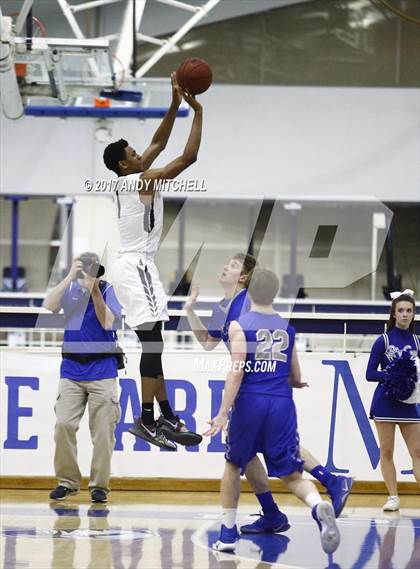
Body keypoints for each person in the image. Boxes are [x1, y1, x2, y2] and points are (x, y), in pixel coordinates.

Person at [185, 253, 353, 531]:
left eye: (234, 264)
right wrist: (190, 310)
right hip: (257, 389)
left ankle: (322, 485)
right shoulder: (222, 308)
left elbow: (259, 347)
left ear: (244, 277)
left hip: (254, 386)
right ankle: (281, 509)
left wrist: (225, 410)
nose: (225, 265)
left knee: (245, 453)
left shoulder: (248, 304)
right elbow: (207, 342)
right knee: (254, 451)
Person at [102, 73, 202, 451]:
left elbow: (159, 141)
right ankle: (147, 419)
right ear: (125, 166)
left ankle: (166, 417)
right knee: (153, 345)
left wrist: (175, 102)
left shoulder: (133, 175)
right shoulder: (137, 182)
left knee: (153, 342)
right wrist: (198, 113)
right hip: (135, 265)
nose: (140, 154)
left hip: (140, 266)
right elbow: (187, 157)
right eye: (133, 154)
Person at [43, 253, 122, 503]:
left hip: (102, 370)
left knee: (102, 432)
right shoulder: (70, 287)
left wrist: (95, 290)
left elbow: (108, 322)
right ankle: (67, 482)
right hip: (72, 370)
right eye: (84, 267)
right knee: (63, 424)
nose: (88, 272)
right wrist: (69, 276)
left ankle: (99, 486)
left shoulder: (108, 290)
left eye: (92, 268)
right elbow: (48, 304)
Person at [366, 289, 420, 511]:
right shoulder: (383, 341)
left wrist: (409, 378)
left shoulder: (418, 341)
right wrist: (392, 375)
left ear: (413, 314)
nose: (405, 314)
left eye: (409, 310)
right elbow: (370, 374)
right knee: (386, 452)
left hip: (408, 404)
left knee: (417, 452)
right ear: (394, 314)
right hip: (386, 402)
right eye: (401, 311)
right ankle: (393, 497)